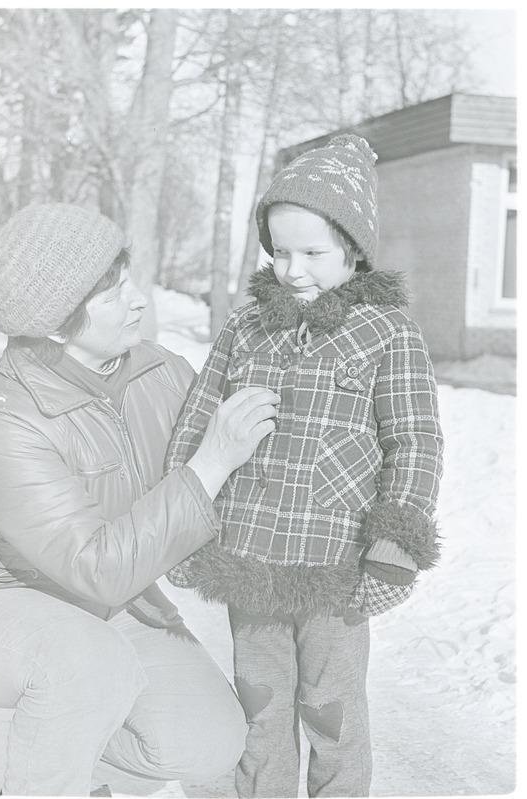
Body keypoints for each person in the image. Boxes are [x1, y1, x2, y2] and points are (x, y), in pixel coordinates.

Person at [0, 202, 280, 796]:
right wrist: (210, 460)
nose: (138, 301)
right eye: (111, 295)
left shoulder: (160, 371)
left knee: (208, 742)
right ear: (54, 323)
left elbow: (244, 475)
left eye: (129, 281)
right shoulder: (1, 415)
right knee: (83, 663)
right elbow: (98, 569)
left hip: (114, 607)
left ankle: (50, 737)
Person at [165, 134, 444, 797]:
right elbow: (196, 424)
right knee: (259, 713)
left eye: (312, 252)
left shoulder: (387, 333)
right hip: (251, 563)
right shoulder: (245, 329)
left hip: (335, 574)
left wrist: (392, 547)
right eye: (280, 250)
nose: (292, 269)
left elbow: (415, 441)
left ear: (353, 248)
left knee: (331, 714)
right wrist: (179, 522)